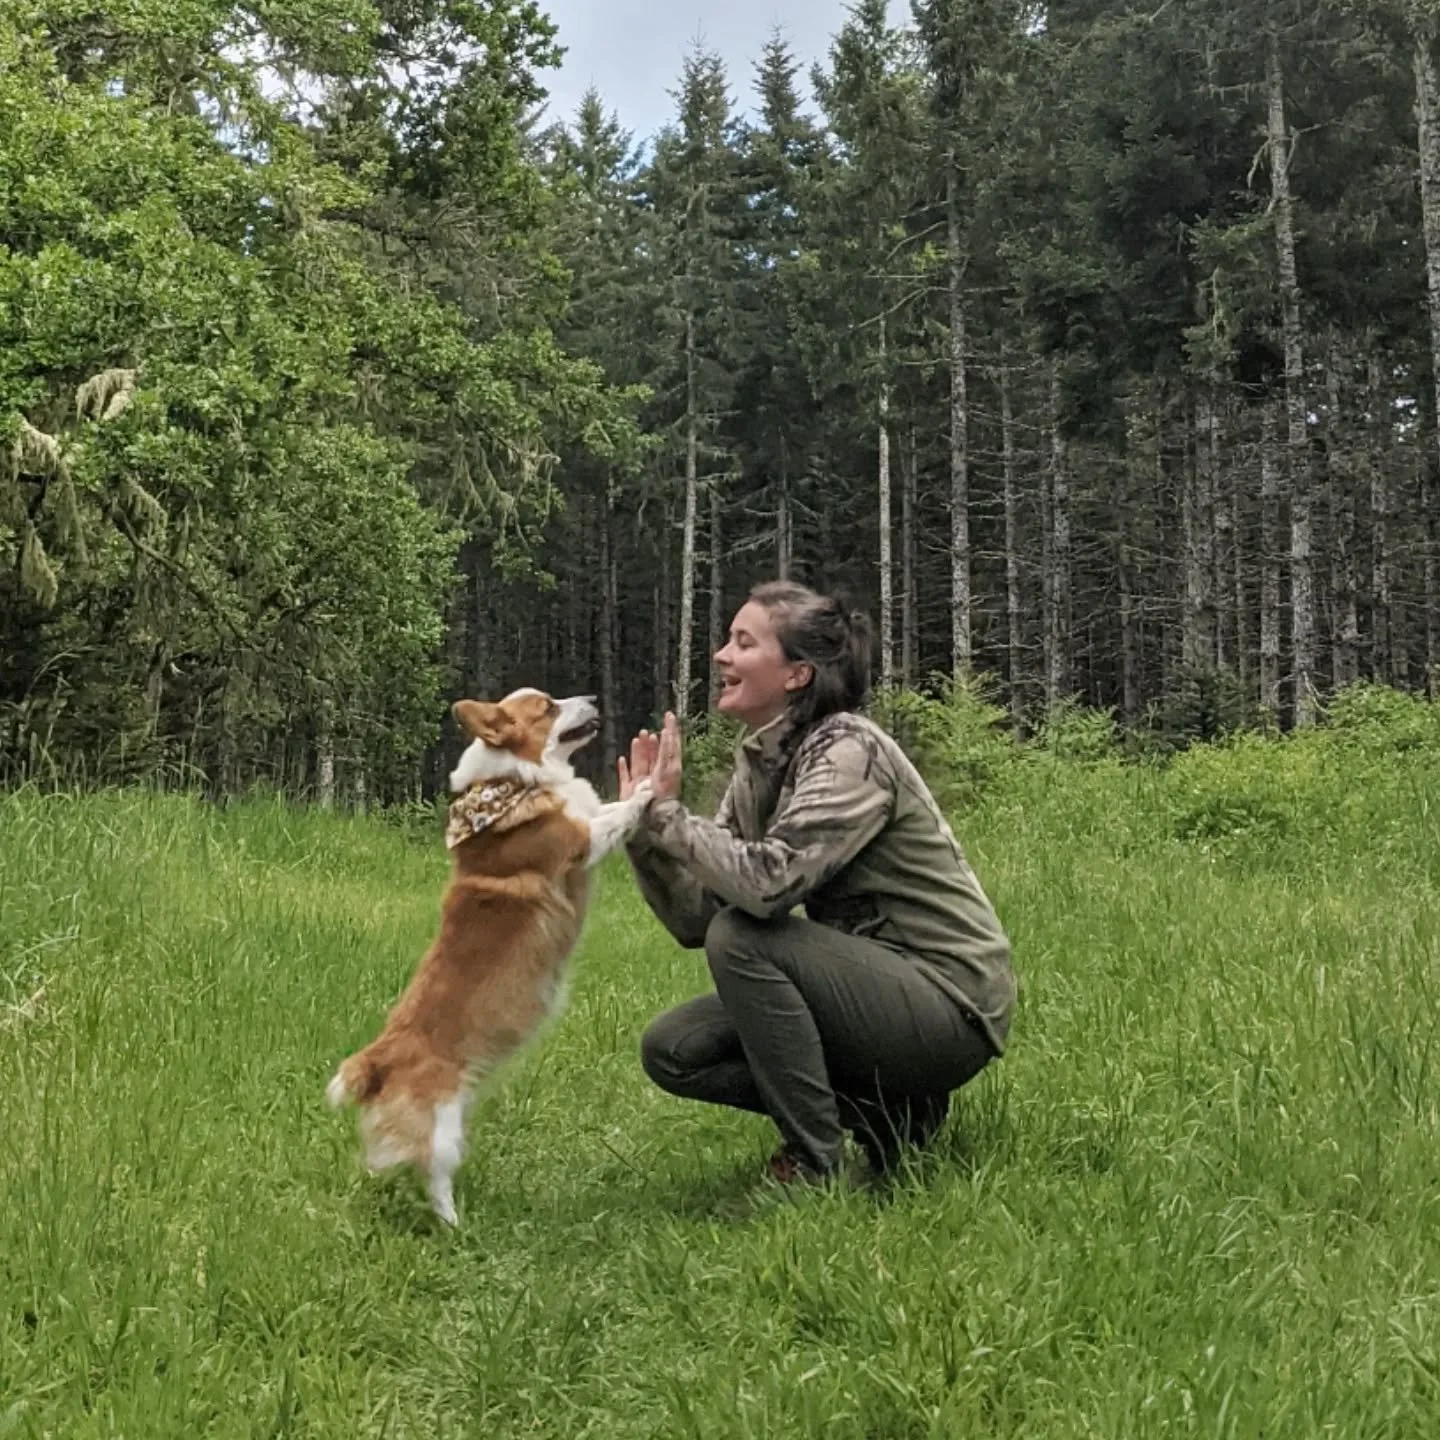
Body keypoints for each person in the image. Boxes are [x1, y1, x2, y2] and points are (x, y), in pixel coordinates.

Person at [618, 580, 1016, 1186]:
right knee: (674, 1049)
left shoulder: (850, 750)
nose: (722, 656)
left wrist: (670, 818)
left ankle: (813, 1162)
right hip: (876, 995)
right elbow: (696, 920)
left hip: (951, 1005)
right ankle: (889, 1116)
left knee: (744, 937)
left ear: (797, 675)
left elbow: (767, 887)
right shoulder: (761, 762)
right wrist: (643, 830)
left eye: (742, 642)